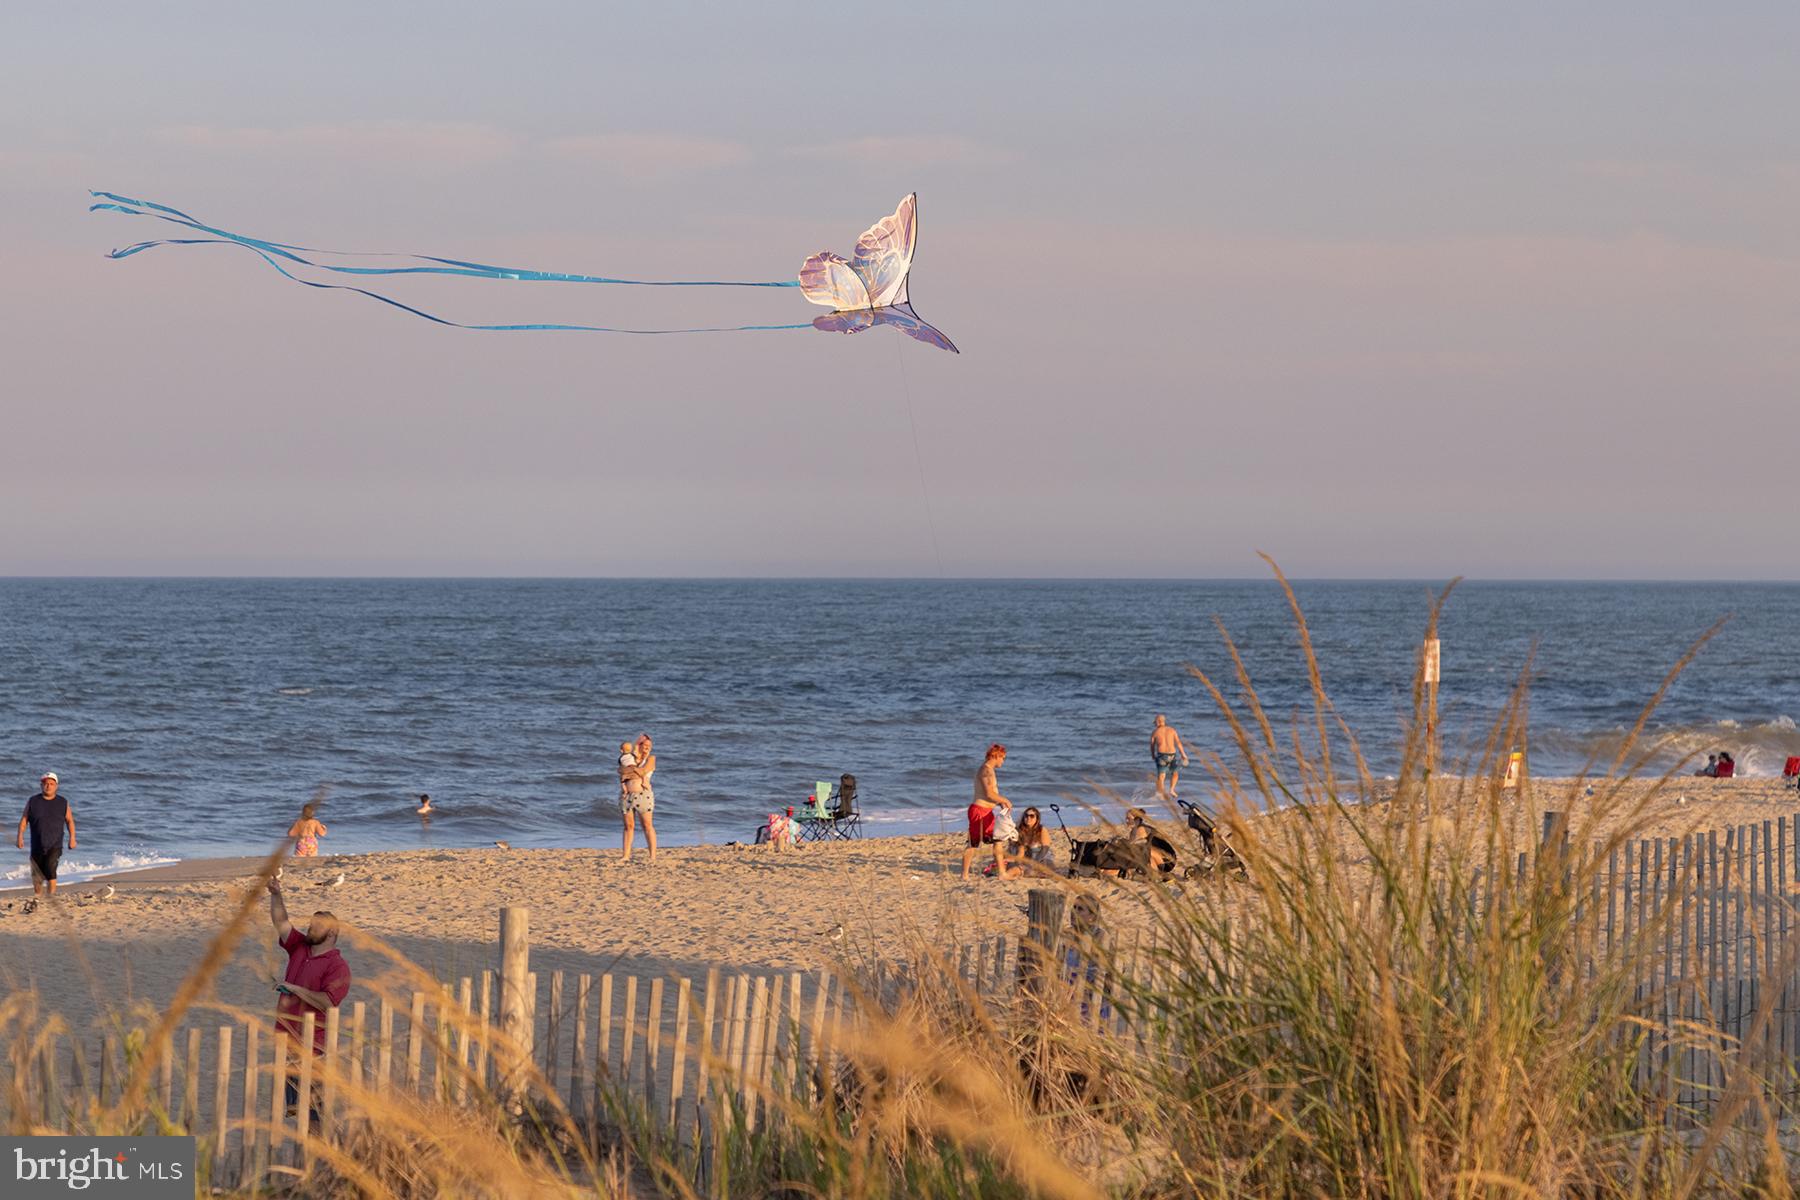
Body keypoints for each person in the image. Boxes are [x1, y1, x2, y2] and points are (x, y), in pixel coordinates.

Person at [267, 875, 351, 1123]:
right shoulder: (299, 947)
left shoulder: (337, 966)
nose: (311, 928)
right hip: (287, 1041)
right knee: (295, 1112)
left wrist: (294, 989)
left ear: (332, 933)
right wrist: (275, 894)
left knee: (313, 1112)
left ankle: (317, 1157)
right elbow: (281, 921)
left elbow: (328, 1002)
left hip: (314, 1048)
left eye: (317, 926)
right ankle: (303, 1157)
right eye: (311, 924)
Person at [16, 772, 76, 898]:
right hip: (37, 844)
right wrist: (20, 836)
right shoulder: (33, 801)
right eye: (45, 784)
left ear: (56, 786)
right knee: (36, 874)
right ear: (41, 785)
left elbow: (70, 821)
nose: (48, 786)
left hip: (55, 844)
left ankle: (50, 896)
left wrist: (72, 838)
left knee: (50, 869)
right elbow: (24, 820)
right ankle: (38, 895)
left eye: (51, 784)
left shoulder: (63, 802)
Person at [962, 744, 1014, 880]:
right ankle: (965, 875)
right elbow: (989, 793)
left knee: (997, 839)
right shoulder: (986, 771)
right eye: (1003, 758)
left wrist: (1001, 803)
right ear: (996, 756)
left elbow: (991, 795)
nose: (1003, 761)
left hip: (986, 811)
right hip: (980, 811)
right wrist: (1005, 800)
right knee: (974, 843)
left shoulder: (989, 770)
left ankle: (1000, 872)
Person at [620, 733, 658, 864]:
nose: (647, 747)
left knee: (647, 825)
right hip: (627, 796)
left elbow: (642, 771)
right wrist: (629, 772)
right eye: (645, 745)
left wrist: (630, 772)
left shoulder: (651, 758)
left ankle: (652, 856)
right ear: (639, 745)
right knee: (628, 826)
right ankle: (625, 855)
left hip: (643, 795)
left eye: (649, 746)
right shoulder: (629, 757)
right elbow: (621, 771)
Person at [1150, 714, 1190, 800]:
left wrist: (1153, 755)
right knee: (1175, 773)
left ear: (1158, 722)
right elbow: (1178, 743)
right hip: (1172, 755)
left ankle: (1161, 794)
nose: (1155, 725)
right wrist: (1183, 754)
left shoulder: (1155, 732)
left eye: (1155, 723)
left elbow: (1152, 745)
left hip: (1162, 755)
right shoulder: (1172, 730)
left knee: (1161, 776)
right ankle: (1172, 790)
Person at [1010, 805, 1056, 875]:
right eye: (1026, 815)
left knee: (1041, 870)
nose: (1028, 818)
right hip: (1028, 858)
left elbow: (1045, 849)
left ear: (1037, 819)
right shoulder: (1020, 831)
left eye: (1032, 816)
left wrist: (1034, 863)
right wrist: (1017, 861)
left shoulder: (1041, 829)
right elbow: (1020, 851)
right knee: (1023, 870)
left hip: (1043, 857)